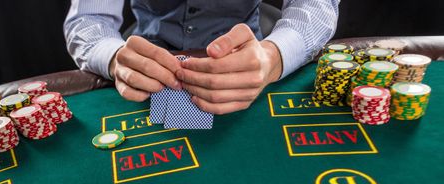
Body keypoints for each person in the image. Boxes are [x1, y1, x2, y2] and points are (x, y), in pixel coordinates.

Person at [64, 1, 339, 115]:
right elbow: (89, 18)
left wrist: (273, 56)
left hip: (250, 60)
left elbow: (316, 5)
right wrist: (113, 56)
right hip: (148, 68)